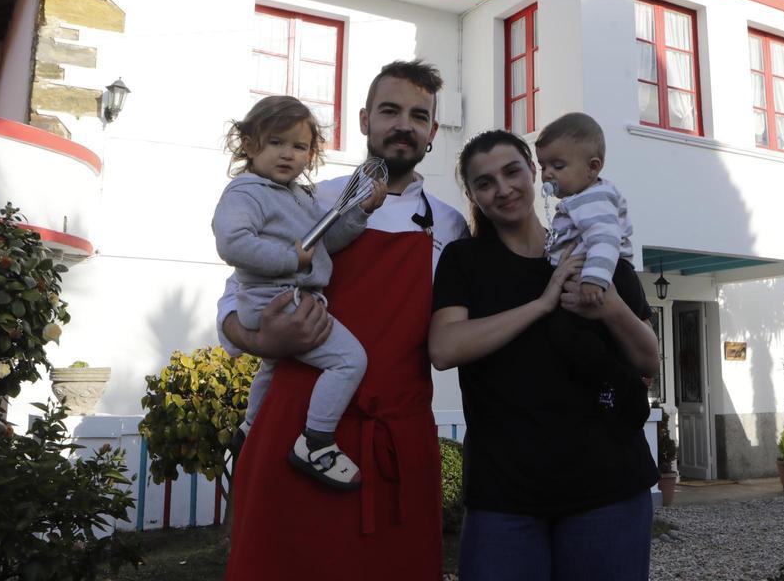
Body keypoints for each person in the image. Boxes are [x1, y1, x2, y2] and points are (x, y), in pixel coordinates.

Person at [217, 60, 469, 580]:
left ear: (432, 133)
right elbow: (234, 294)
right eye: (390, 111)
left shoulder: (450, 226)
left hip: (398, 440)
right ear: (364, 120)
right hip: (297, 432)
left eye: (419, 116)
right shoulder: (313, 199)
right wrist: (259, 338)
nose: (404, 125)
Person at [429, 129, 660, 581]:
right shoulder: (465, 261)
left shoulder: (594, 247)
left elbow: (648, 359)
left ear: (534, 172)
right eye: (485, 183)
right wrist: (541, 304)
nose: (503, 189)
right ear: (473, 195)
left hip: (608, 487)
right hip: (504, 496)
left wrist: (610, 305)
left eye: (512, 172)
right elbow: (444, 348)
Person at [211, 95, 386, 489]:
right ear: (249, 144)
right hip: (275, 299)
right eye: (276, 142)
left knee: (272, 368)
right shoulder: (246, 192)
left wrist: (360, 212)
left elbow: (324, 243)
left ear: (311, 154)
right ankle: (316, 441)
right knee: (349, 360)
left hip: (282, 297)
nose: (287, 153)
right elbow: (232, 243)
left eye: (299, 146)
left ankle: (249, 429)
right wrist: (291, 258)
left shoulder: (297, 195)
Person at [536, 112, 633, 307]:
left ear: (592, 167)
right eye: (543, 167)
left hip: (603, 277)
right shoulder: (579, 199)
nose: (547, 174)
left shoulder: (594, 197)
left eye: (558, 166)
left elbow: (604, 237)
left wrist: (594, 279)